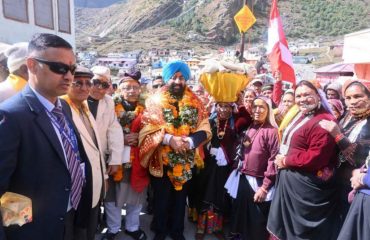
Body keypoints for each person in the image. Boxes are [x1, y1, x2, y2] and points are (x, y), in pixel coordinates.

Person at [0, 33, 92, 240]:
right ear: (31, 65)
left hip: (69, 217)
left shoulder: (65, 107)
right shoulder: (10, 116)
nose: (69, 76)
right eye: (59, 68)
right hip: (33, 229)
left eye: (72, 69)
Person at [139, 60, 211, 240]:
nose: (178, 81)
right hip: (161, 160)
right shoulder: (154, 100)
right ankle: (160, 230)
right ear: (166, 79)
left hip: (185, 160)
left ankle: (177, 231)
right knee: (161, 199)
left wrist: (190, 141)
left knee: (180, 200)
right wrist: (170, 139)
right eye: (173, 77)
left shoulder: (196, 101)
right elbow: (147, 128)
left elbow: (205, 126)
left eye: (181, 78)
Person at [268, 80, 340, 240]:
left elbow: (317, 157)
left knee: (297, 233)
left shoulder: (324, 120)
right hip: (291, 182)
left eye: (307, 94)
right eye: (298, 96)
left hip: (305, 188)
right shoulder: (301, 114)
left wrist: (286, 161)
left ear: (318, 96)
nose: (302, 99)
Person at [62, 65, 107, 240]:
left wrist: (104, 177)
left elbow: (96, 147)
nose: (85, 88)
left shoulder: (84, 106)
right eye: (78, 83)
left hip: (94, 180)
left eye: (88, 83)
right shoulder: (63, 106)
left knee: (90, 227)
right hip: (76, 186)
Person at [319, 79, 370, 233]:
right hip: (335, 183)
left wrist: (337, 135)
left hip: (354, 187)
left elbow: (359, 158)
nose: (352, 102)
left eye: (357, 96)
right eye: (348, 98)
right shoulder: (347, 116)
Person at [226, 96, 279, 240]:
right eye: (255, 106)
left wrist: (265, 187)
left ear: (268, 110)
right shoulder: (251, 126)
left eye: (262, 107)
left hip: (260, 182)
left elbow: (273, 160)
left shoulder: (272, 131)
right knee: (241, 216)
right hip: (243, 177)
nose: (257, 110)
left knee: (256, 220)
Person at [105, 73, 149, 240]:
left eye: (135, 87)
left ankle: (132, 226)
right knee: (111, 197)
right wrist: (120, 139)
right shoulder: (109, 106)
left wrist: (140, 137)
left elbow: (155, 130)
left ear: (140, 89)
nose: (131, 91)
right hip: (114, 158)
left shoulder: (148, 108)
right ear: (119, 90)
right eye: (127, 88)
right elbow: (102, 130)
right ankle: (113, 228)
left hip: (137, 159)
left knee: (135, 196)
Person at [86, 66, 123, 240]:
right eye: (96, 82)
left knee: (104, 194)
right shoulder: (75, 98)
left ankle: (100, 225)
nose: (100, 88)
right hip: (82, 158)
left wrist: (115, 160)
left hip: (102, 157)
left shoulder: (108, 101)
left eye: (105, 84)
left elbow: (113, 130)